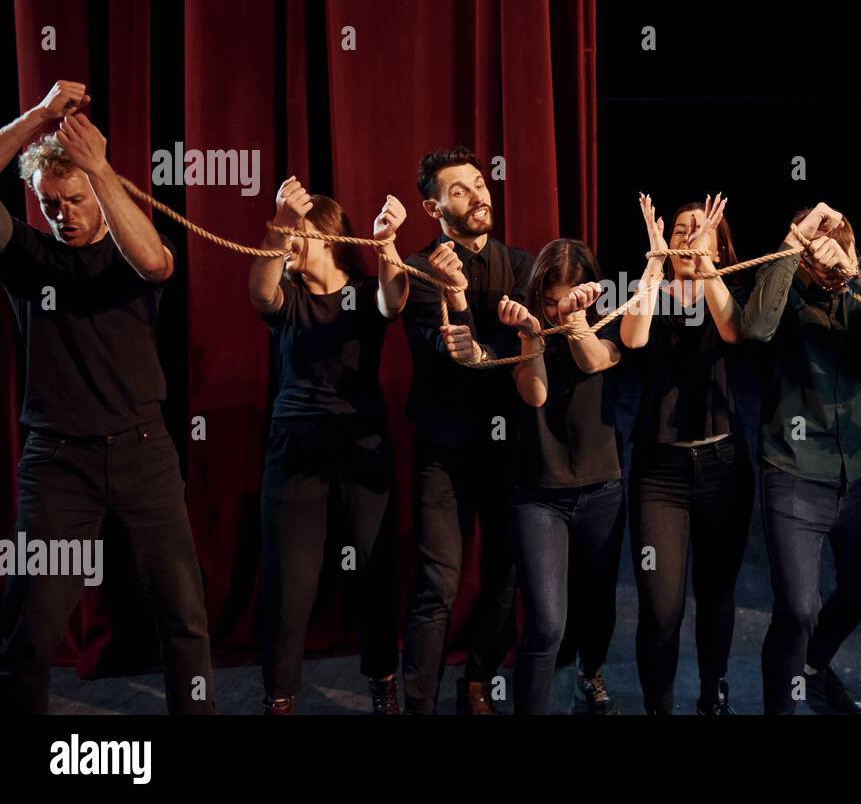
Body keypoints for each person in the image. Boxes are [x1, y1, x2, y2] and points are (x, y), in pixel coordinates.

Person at [0, 82, 214, 714]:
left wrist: (99, 168)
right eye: (50, 203)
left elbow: (155, 263)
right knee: (29, 631)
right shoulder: (26, 256)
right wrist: (39, 116)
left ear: (98, 191)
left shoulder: (130, 255)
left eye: (74, 199)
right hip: (56, 464)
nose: (63, 213)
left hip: (143, 455)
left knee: (184, 619)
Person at [742, 202, 861, 715]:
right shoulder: (783, 279)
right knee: (796, 608)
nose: (828, 248)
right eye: (819, 240)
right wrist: (791, 248)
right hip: (794, 469)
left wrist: (854, 269)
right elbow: (755, 329)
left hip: (860, 471)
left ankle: (812, 667)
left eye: (837, 237)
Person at [249, 178, 408, 715]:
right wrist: (278, 221)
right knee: (288, 580)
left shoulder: (362, 296)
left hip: (361, 440)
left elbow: (394, 299)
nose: (292, 242)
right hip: (295, 442)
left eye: (301, 233)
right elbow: (259, 292)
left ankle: (383, 681)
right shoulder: (288, 296)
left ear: (331, 237)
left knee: (372, 568)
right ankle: (279, 697)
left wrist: (386, 243)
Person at [400, 147, 534, 715]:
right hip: (445, 450)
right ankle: (419, 704)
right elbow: (448, 349)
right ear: (434, 207)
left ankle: (478, 682)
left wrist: (507, 343)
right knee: (439, 584)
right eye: (460, 190)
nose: (479, 195)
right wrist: (475, 336)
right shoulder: (416, 267)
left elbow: (531, 350)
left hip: (509, 452)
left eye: (480, 184)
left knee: (506, 571)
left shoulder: (525, 266)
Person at [620, 194, 754, 715]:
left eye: (700, 229)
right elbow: (632, 339)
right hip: (660, 473)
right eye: (679, 230)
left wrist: (709, 270)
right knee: (660, 607)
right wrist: (655, 267)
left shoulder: (732, 292)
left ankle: (712, 695)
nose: (687, 236)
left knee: (717, 594)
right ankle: (659, 705)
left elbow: (733, 330)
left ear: (720, 244)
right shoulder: (649, 293)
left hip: (722, 467)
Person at [492, 238, 625, 714]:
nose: (556, 309)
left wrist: (575, 322)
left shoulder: (611, 324)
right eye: (550, 301)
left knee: (598, 608)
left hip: (601, 488)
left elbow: (594, 360)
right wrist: (531, 334)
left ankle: (591, 672)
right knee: (547, 623)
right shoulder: (520, 330)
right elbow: (535, 395)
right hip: (538, 494)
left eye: (567, 297)